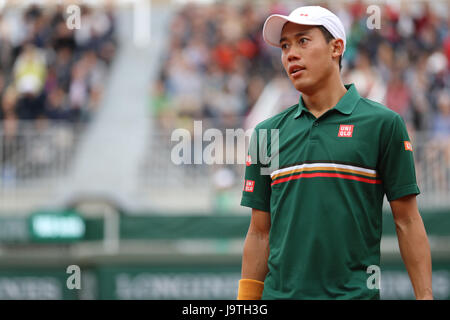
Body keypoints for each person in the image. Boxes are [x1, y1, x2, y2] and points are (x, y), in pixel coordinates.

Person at [237, 6, 433, 300]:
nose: (290, 54)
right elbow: (259, 233)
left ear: (336, 48)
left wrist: (425, 296)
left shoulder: (384, 124)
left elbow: (407, 220)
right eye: (285, 45)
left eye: (303, 41)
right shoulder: (266, 134)